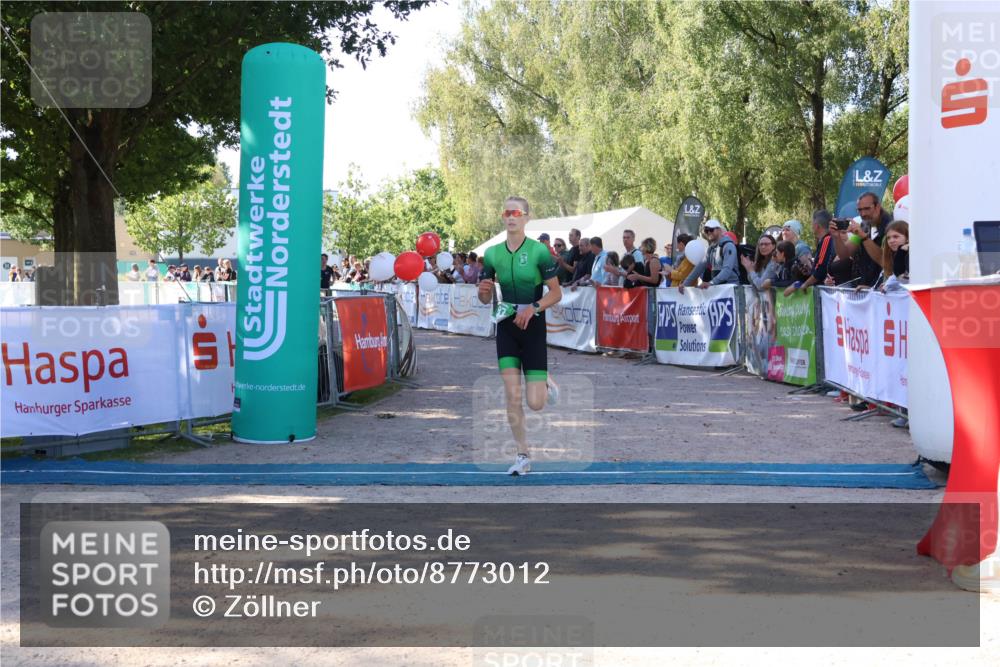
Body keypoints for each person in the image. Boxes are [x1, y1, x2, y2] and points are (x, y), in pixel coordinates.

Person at [477, 196, 562, 476]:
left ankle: (544, 383)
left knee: (535, 404)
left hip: (533, 327)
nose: (511, 217)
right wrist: (484, 291)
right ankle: (522, 455)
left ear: (526, 217)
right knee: (512, 396)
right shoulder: (492, 254)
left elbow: (556, 293)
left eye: (516, 213)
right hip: (506, 326)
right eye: (506, 212)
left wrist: (534, 308)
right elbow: (483, 296)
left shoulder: (540, 252)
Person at [833, 192, 893, 287]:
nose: (863, 214)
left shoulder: (890, 227)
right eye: (859, 210)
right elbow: (844, 254)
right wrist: (836, 237)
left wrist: (863, 237)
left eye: (867, 209)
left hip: (881, 291)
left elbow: (885, 261)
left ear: (877, 206)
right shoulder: (864, 226)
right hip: (863, 290)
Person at [784, 210, 836, 297]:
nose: (811, 226)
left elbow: (820, 269)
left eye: (812, 223)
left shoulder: (826, 240)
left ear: (817, 226)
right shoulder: (824, 240)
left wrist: (805, 284)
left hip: (827, 293)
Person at [682, 220, 737, 290]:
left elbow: (727, 270)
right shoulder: (711, 249)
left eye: (711, 229)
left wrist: (711, 283)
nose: (708, 232)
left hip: (731, 290)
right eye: (706, 231)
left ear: (719, 230)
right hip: (719, 290)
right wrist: (685, 284)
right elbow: (700, 267)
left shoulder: (728, 246)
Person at [881, 220, 909, 285]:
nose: (891, 241)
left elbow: (903, 279)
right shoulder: (892, 255)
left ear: (907, 237)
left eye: (895, 237)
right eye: (888, 238)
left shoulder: (912, 256)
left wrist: (901, 252)